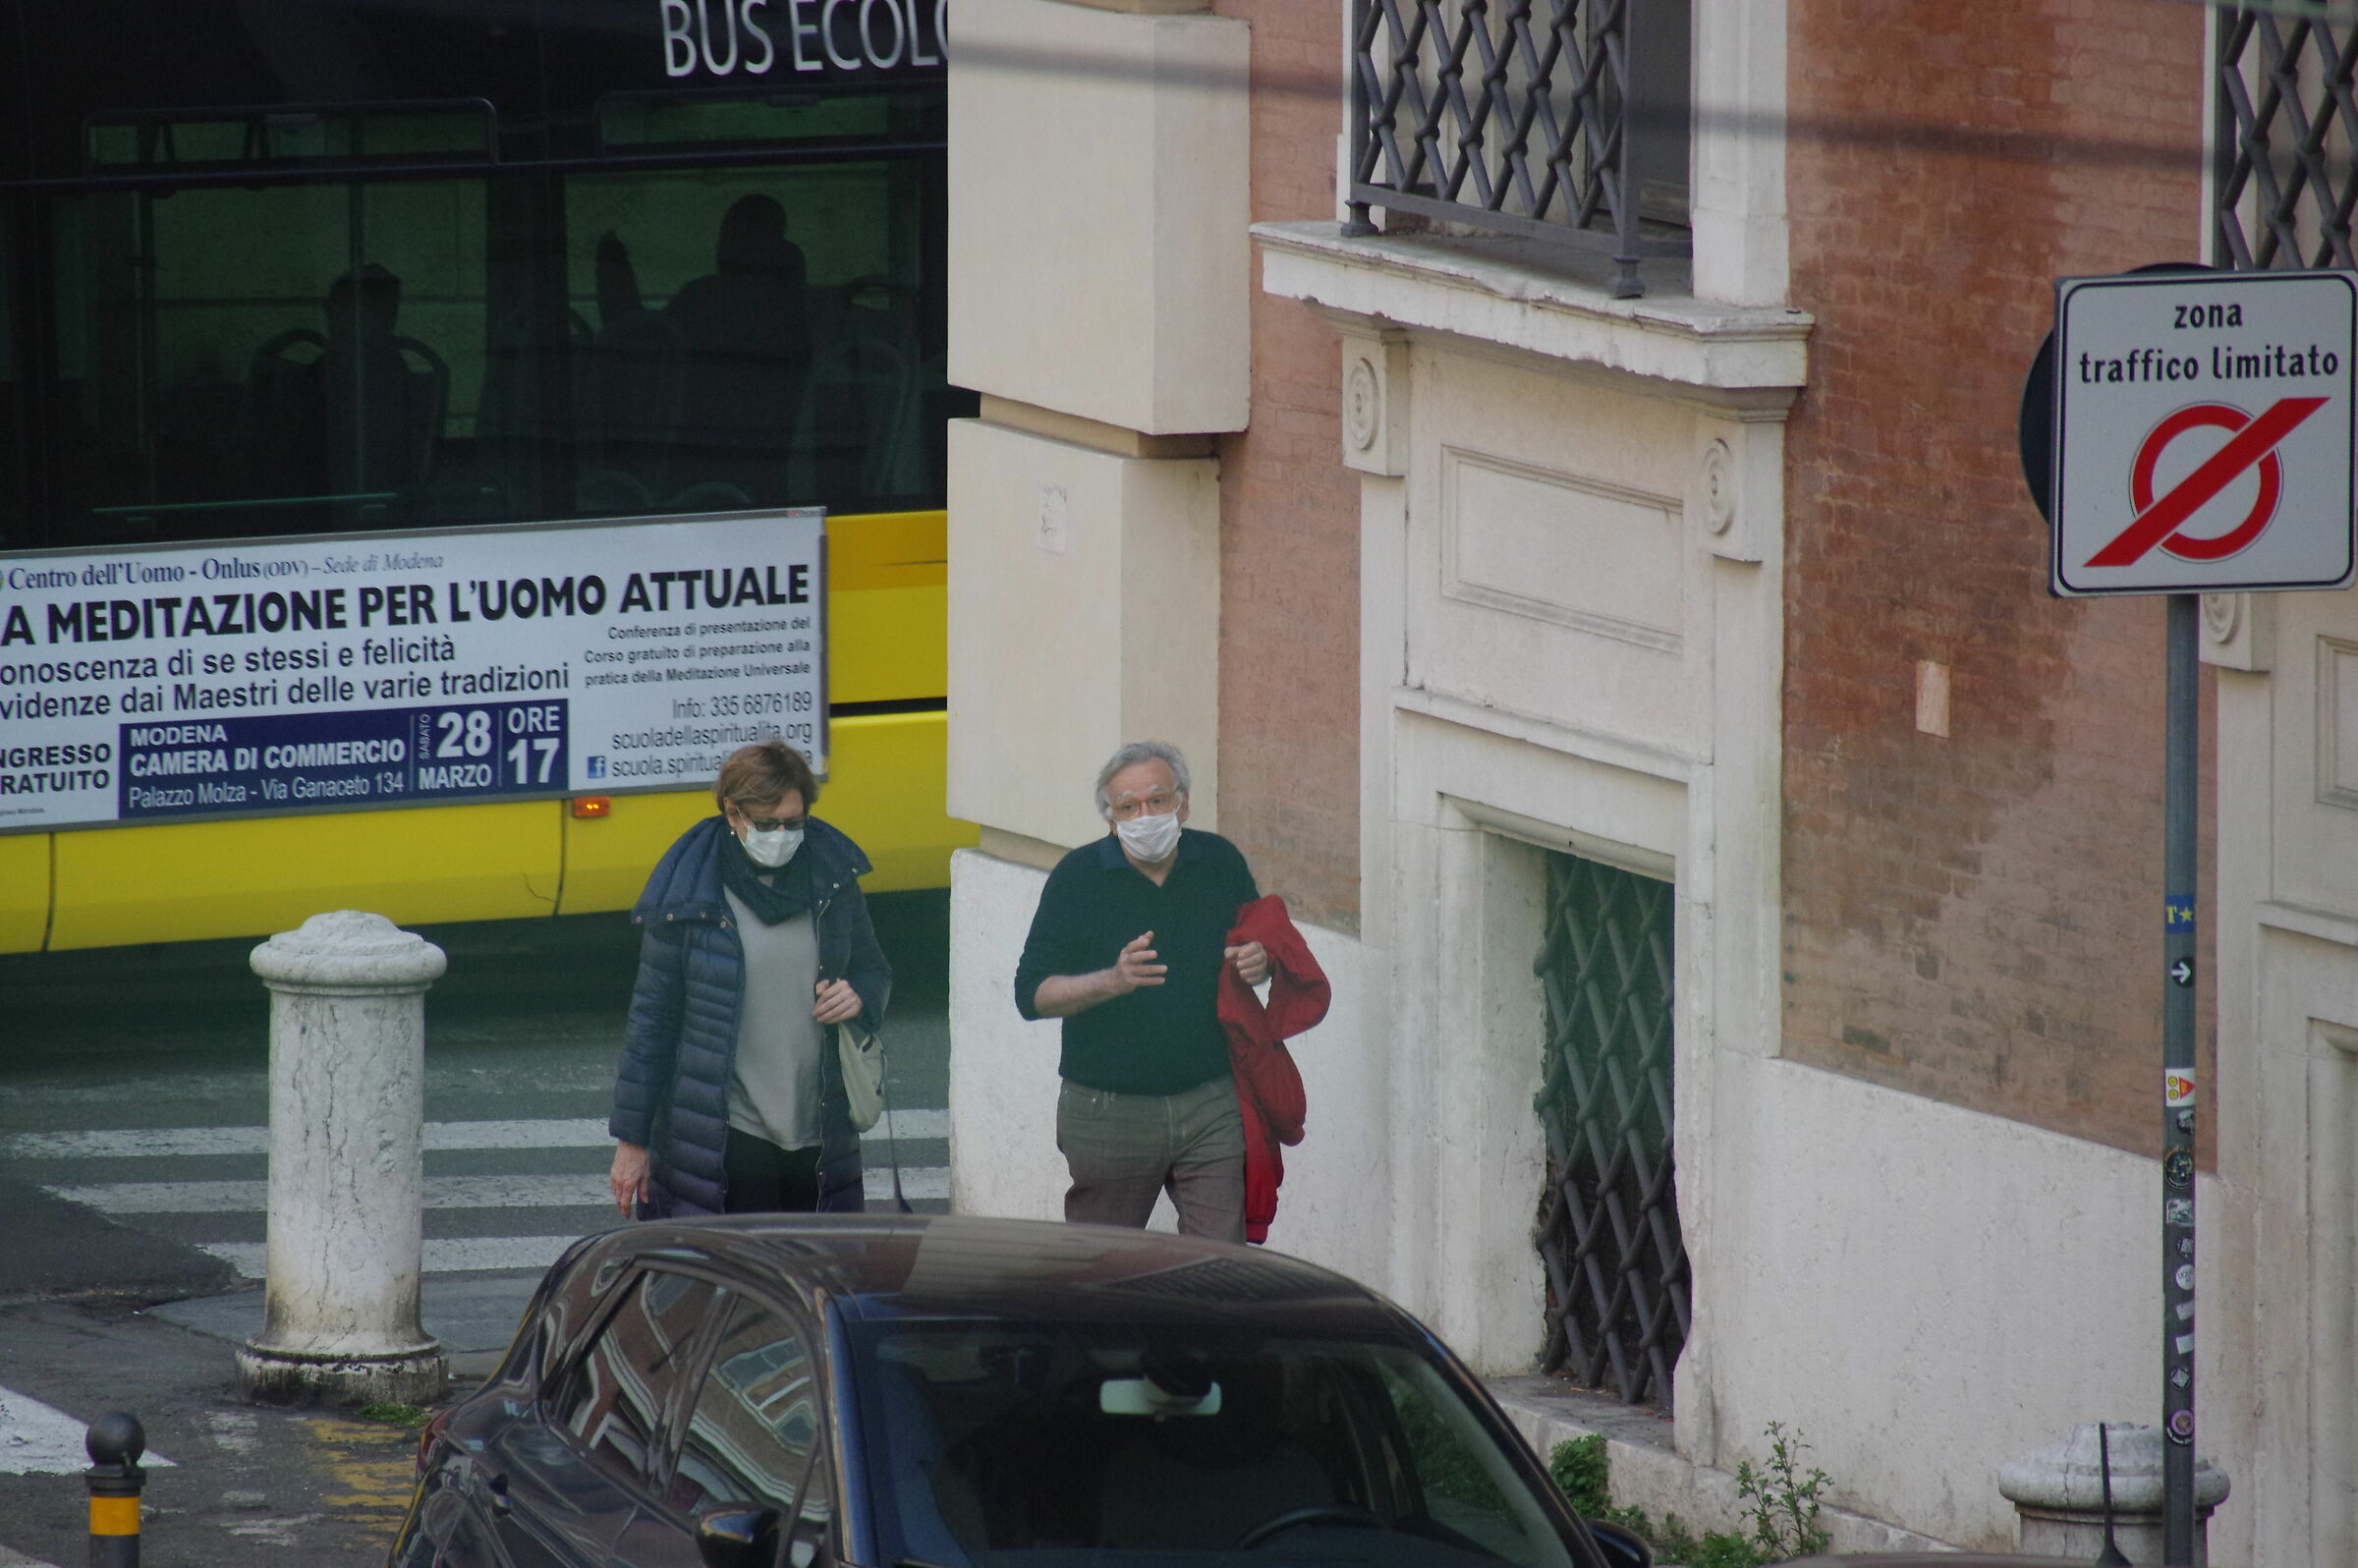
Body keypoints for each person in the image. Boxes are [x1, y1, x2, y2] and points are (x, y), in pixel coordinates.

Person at [607, 740, 890, 1216]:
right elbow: (651, 1021)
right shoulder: (690, 891)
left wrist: (859, 994)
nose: (782, 835)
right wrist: (631, 1141)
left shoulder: (832, 879)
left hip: (819, 1129)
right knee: (746, 1279)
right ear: (733, 813)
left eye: (794, 823)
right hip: (728, 1135)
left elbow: (873, 968)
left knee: (815, 1278)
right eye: (767, 823)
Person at [1013, 741, 1269, 1241]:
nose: (1144, 816)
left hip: (1211, 1100)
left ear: (1184, 802)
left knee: (1220, 1264)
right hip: (1109, 1110)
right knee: (1103, 1266)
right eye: (1128, 807)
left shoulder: (1220, 861)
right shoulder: (1077, 878)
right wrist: (1114, 980)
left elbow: (1256, 949)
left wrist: (1260, 963)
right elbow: (1032, 995)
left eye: (1157, 800)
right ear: (1111, 819)